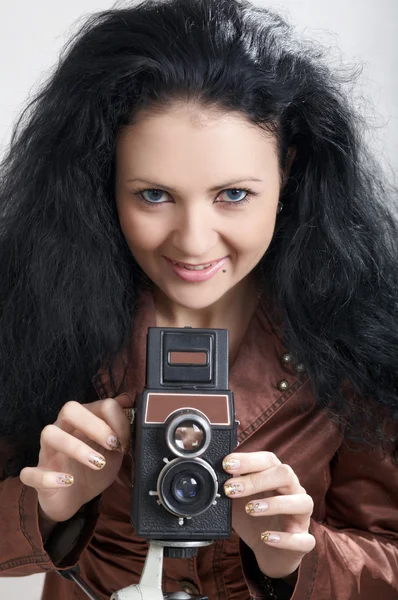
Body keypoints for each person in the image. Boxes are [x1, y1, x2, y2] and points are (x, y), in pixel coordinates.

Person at [0, 0, 397, 598]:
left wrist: (296, 555)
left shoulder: (357, 323)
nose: (192, 241)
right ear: (105, 179)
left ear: (288, 174)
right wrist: (46, 504)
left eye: (233, 194)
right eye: (154, 195)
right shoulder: (34, 304)